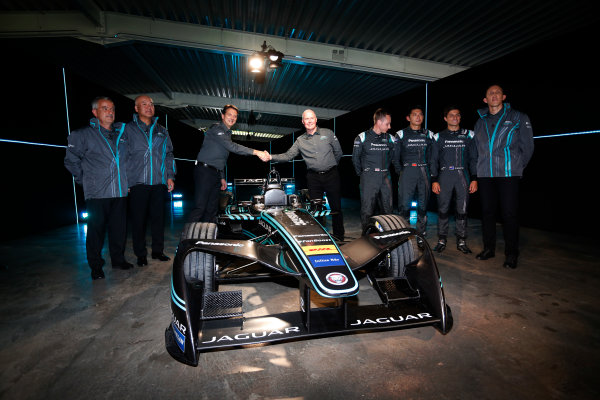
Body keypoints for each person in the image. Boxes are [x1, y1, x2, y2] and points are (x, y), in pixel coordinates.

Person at [64, 96, 133, 280]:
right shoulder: (82, 135)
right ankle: (96, 266)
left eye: (112, 109)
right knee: (96, 231)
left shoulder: (121, 134)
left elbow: (126, 161)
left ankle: (118, 260)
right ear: (95, 112)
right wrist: (85, 180)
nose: (110, 112)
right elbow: (71, 161)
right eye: (105, 108)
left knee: (119, 229)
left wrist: (126, 182)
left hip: (119, 191)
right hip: (97, 193)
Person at [473, 84, 534, 269]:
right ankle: (489, 248)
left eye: (497, 92)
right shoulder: (479, 121)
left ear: (503, 97)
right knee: (487, 213)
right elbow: (476, 148)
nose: (494, 95)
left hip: (508, 174)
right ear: (485, 99)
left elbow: (528, 147)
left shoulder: (518, 117)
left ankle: (511, 253)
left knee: (509, 213)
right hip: (485, 174)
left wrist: (516, 166)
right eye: (490, 93)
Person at [267, 109, 345, 240]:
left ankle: (339, 237)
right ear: (303, 122)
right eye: (306, 119)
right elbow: (288, 155)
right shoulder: (300, 140)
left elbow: (338, 153)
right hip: (313, 177)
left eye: (311, 118)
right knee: (316, 209)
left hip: (332, 175)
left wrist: (330, 166)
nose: (309, 121)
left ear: (316, 119)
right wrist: (270, 156)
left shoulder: (328, 133)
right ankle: (319, 236)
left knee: (336, 207)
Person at [188, 104, 269, 223]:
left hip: (215, 173)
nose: (232, 118)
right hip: (204, 172)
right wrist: (256, 152)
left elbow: (221, 158)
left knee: (212, 209)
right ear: (222, 116)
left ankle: (208, 238)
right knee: (200, 207)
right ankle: (187, 239)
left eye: (235, 116)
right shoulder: (217, 129)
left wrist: (222, 178)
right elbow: (233, 147)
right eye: (229, 115)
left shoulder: (227, 134)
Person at [125, 95, 176, 267]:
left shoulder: (162, 130)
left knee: (158, 219)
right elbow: (123, 156)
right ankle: (141, 255)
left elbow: (169, 155)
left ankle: (157, 251)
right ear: (136, 108)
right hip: (138, 183)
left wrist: (170, 176)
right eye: (144, 104)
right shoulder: (128, 129)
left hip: (158, 182)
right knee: (138, 221)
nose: (149, 107)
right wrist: (126, 181)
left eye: (151, 104)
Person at [430, 106, 478, 254]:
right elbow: (433, 160)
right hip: (445, 176)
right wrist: (434, 180)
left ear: (460, 117)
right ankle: (442, 239)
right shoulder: (438, 137)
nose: (455, 117)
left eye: (457, 115)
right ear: (445, 118)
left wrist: (475, 178)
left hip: (463, 176)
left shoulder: (469, 135)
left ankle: (462, 240)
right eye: (451, 115)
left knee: (462, 210)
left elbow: (473, 158)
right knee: (443, 209)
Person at [393, 106, 434, 241]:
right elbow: (395, 156)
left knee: (423, 205)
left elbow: (432, 156)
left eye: (420, 114)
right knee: (404, 205)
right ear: (408, 118)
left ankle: (421, 234)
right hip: (408, 171)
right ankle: (404, 234)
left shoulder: (429, 134)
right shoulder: (401, 134)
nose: (418, 117)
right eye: (414, 114)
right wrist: (401, 172)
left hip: (424, 172)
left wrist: (430, 171)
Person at [352, 108, 396, 230]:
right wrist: (363, 174)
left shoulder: (390, 138)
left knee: (388, 210)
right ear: (379, 122)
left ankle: (387, 236)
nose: (390, 126)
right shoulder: (362, 137)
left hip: (385, 177)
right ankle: (366, 236)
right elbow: (355, 159)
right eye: (387, 124)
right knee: (367, 210)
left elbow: (393, 156)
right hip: (369, 177)